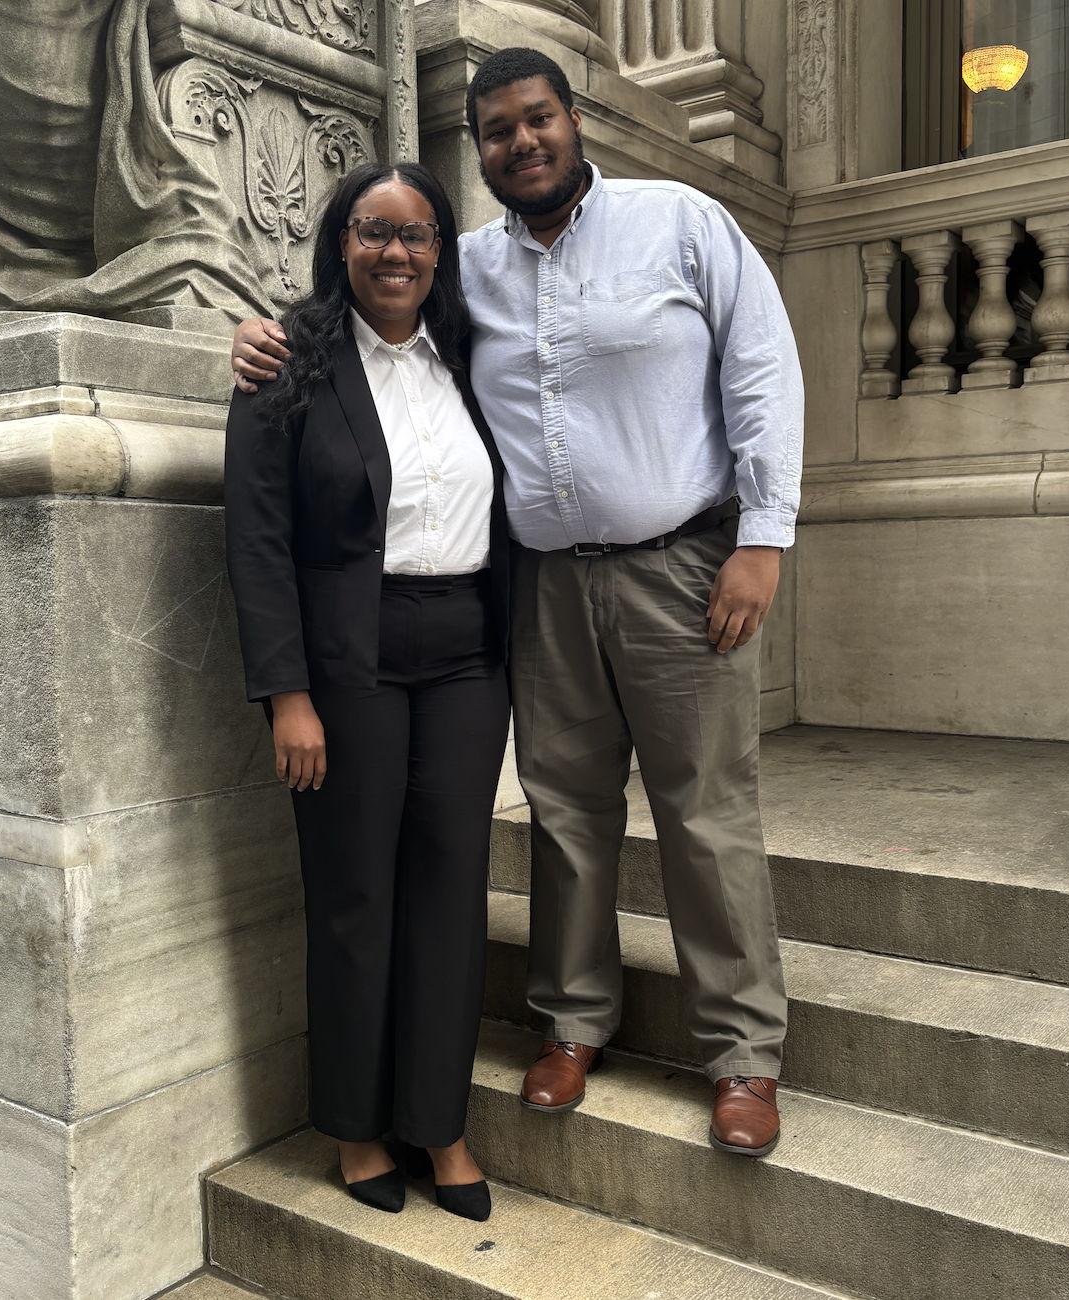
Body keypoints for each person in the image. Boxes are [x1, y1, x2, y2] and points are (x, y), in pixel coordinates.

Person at [232, 47, 804, 1160]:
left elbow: (762, 370)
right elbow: (360, 345)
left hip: (681, 568)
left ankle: (741, 1051)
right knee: (565, 812)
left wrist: (764, 536)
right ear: (480, 150)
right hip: (539, 583)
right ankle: (573, 1022)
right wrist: (259, 335)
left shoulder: (680, 223)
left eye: (537, 119)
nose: (521, 143)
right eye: (497, 130)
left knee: (705, 812)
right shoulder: (466, 274)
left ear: (572, 118)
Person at [223, 160, 511, 1219]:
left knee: (450, 892)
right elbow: (256, 542)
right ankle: (355, 1126)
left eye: (417, 233)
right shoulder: (285, 362)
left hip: (469, 656)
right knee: (354, 895)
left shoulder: (474, 356)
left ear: (440, 252)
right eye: (374, 231)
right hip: (350, 662)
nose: (397, 252)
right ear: (341, 242)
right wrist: (286, 696)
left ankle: (438, 1123)